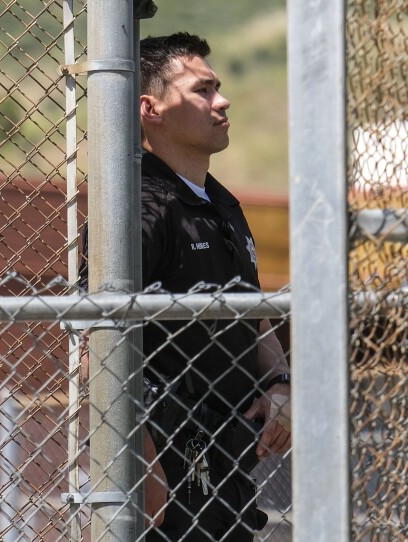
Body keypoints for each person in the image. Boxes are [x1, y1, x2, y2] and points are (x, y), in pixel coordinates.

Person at [79, 32, 292, 541]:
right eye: (203, 90)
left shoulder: (222, 203)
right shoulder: (137, 207)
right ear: (151, 108)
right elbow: (96, 342)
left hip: (232, 451)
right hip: (173, 450)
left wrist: (281, 384)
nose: (223, 101)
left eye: (217, 87)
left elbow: (254, 312)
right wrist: (132, 461)